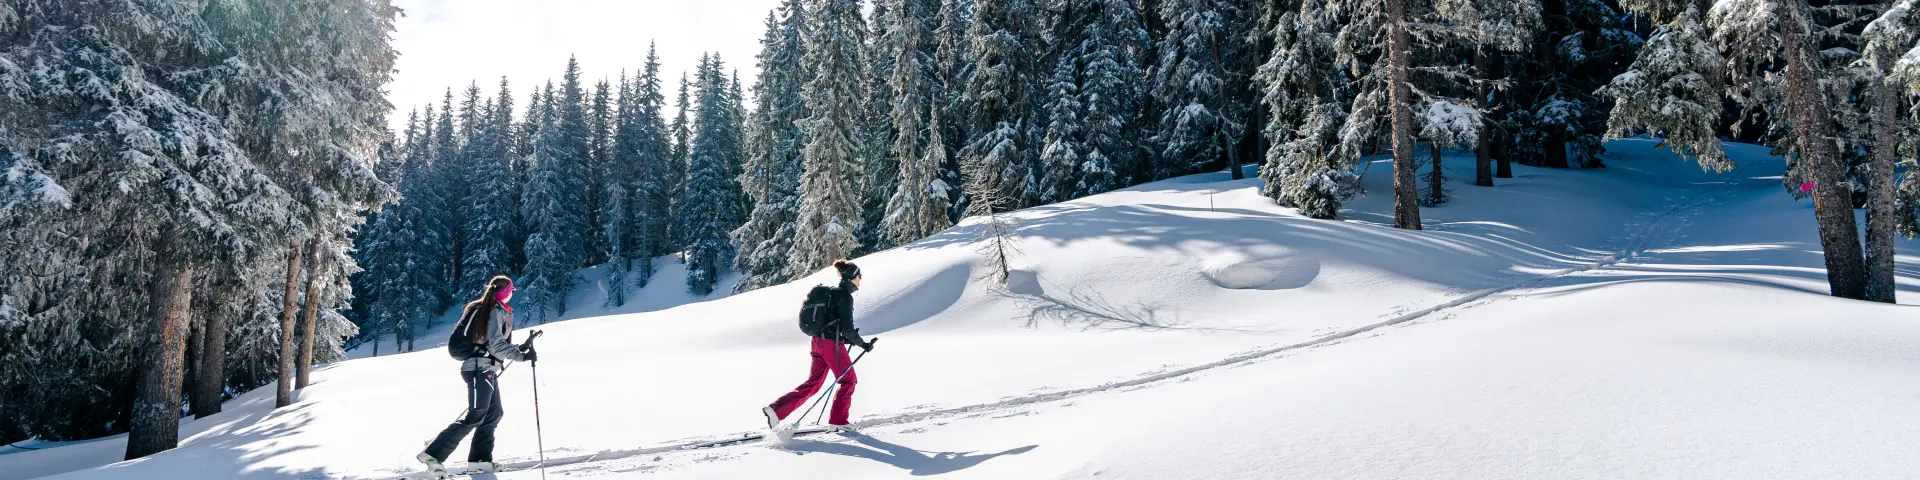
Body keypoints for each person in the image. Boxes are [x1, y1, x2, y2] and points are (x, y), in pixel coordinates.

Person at [418, 276, 535, 477]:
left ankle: (480, 460)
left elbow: (490, 344)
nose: (511, 294)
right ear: (505, 292)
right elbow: (495, 345)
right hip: (479, 369)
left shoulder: (494, 310)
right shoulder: (493, 312)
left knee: (493, 414)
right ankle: (432, 454)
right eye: (511, 290)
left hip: (487, 369)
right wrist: (521, 357)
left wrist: (520, 349)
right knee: (476, 416)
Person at [763, 259, 876, 431]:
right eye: (859, 276)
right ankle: (838, 421)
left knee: (813, 383)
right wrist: (863, 344)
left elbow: (833, 325)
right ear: (852, 278)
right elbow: (847, 328)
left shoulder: (832, 293)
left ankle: (776, 410)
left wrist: (846, 339)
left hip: (817, 342)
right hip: (830, 345)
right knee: (849, 380)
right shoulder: (845, 296)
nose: (861, 279)